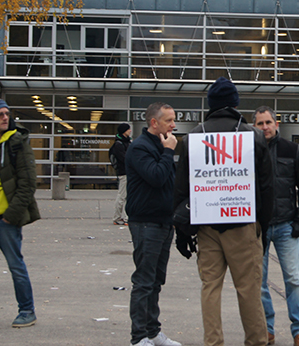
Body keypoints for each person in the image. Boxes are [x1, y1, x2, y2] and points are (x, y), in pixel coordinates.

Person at [174, 77, 273, 346]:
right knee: (249, 289)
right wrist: (261, 227)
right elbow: (266, 186)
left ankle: (213, 342)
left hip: (206, 225)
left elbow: (181, 188)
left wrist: (182, 231)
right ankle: (256, 341)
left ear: (211, 105)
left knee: (210, 287)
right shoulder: (252, 135)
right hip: (243, 223)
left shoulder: (193, 136)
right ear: (235, 103)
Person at [0, 99, 40, 328]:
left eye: (7, 114)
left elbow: (28, 183)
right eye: (0, 114)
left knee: (16, 267)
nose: (5, 118)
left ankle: (26, 311)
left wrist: (11, 215)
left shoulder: (17, 142)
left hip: (5, 220)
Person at [253, 106, 299, 346]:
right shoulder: (248, 151)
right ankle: (266, 329)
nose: (265, 127)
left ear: (276, 124)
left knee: (294, 279)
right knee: (259, 281)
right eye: (260, 123)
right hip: (257, 227)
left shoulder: (292, 149)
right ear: (254, 126)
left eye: (268, 122)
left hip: (287, 224)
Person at [126, 103, 182, 346]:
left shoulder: (161, 145)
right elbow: (157, 177)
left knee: (156, 281)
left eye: (173, 120)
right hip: (145, 223)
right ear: (154, 123)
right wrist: (168, 152)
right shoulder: (140, 148)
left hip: (163, 222)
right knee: (144, 281)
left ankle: (152, 331)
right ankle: (138, 337)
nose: (173, 125)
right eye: (169, 120)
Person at [110, 122, 132, 225]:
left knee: (126, 195)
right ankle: (118, 217)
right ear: (124, 131)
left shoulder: (126, 142)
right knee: (122, 195)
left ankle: (122, 217)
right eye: (128, 129)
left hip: (128, 172)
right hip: (124, 172)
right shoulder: (119, 144)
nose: (130, 131)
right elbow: (124, 158)